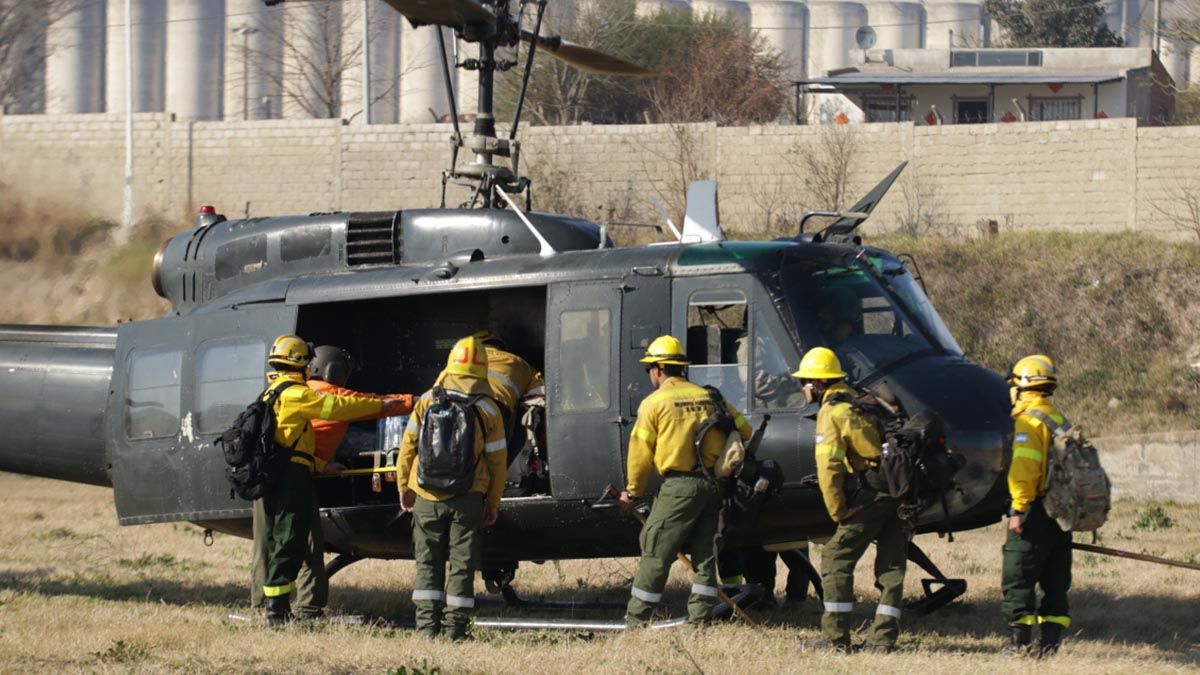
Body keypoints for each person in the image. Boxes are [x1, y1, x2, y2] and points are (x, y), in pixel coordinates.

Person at [249, 345, 413, 619]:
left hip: (265, 474)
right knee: (304, 540)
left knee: (265, 542)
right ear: (334, 371)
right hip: (292, 478)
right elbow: (365, 405)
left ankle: (261, 605)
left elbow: (293, 443)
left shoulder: (273, 392)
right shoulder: (317, 394)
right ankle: (304, 606)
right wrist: (415, 400)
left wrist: (323, 465)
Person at [620, 335, 752, 627]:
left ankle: (636, 620)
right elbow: (746, 430)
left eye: (649, 369)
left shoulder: (654, 403)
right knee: (705, 555)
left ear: (658, 369)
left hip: (679, 486)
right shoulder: (710, 396)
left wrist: (633, 492)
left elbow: (640, 455)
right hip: (714, 486)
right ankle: (699, 619)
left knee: (656, 549)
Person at [794, 346, 906, 653]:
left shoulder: (832, 412)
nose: (802, 387)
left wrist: (839, 511)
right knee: (892, 566)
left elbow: (829, 468)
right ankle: (883, 640)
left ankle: (835, 638)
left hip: (873, 491)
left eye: (804, 381)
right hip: (901, 489)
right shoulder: (859, 400)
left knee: (835, 558)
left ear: (817, 384)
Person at [397, 335, 507, 641]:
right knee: (462, 564)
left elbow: (407, 448)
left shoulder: (426, 401)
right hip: (468, 498)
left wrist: (405, 486)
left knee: (427, 563)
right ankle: (456, 630)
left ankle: (425, 630)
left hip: (426, 495)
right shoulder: (489, 409)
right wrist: (493, 502)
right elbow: (497, 462)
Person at [1001, 354, 1072, 657]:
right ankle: (1051, 644)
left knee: (1019, 573)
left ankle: (1020, 643)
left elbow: (1025, 471)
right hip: (1062, 510)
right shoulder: (1058, 419)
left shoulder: (1029, 423)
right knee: (1056, 577)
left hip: (1037, 509)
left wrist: (1018, 510)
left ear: (1022, 387)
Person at [471, 330, 545, 459]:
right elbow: (539, 393)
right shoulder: (517, 362)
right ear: (499, 347)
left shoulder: (458, 362)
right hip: (495, 411)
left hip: (455, 410)